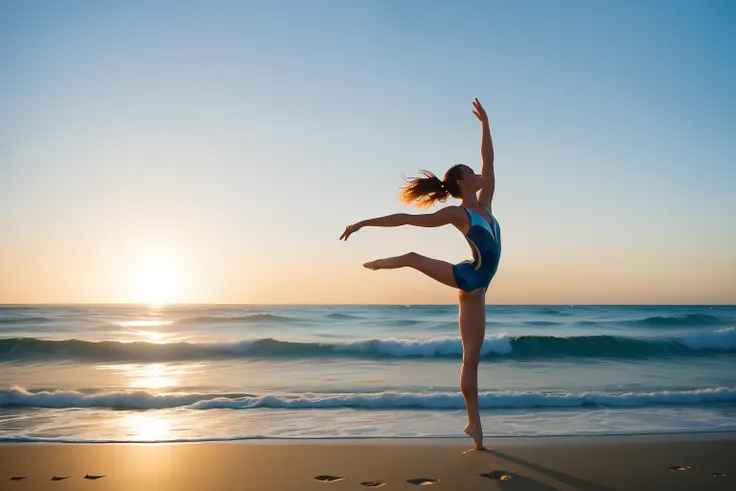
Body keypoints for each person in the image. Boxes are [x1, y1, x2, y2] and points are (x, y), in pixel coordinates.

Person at [339, 98, 500, 450]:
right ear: (461, 182)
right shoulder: (459, 214)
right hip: (470, 282)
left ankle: (473, 426)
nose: (478, 173)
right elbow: (408, 219)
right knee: (413, 256)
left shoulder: (485, 204)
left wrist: (485, 124)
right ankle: (382, 264)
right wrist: (364, 223)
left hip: (479, 287)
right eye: (470, 172)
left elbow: (490, 160)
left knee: (472, 359)